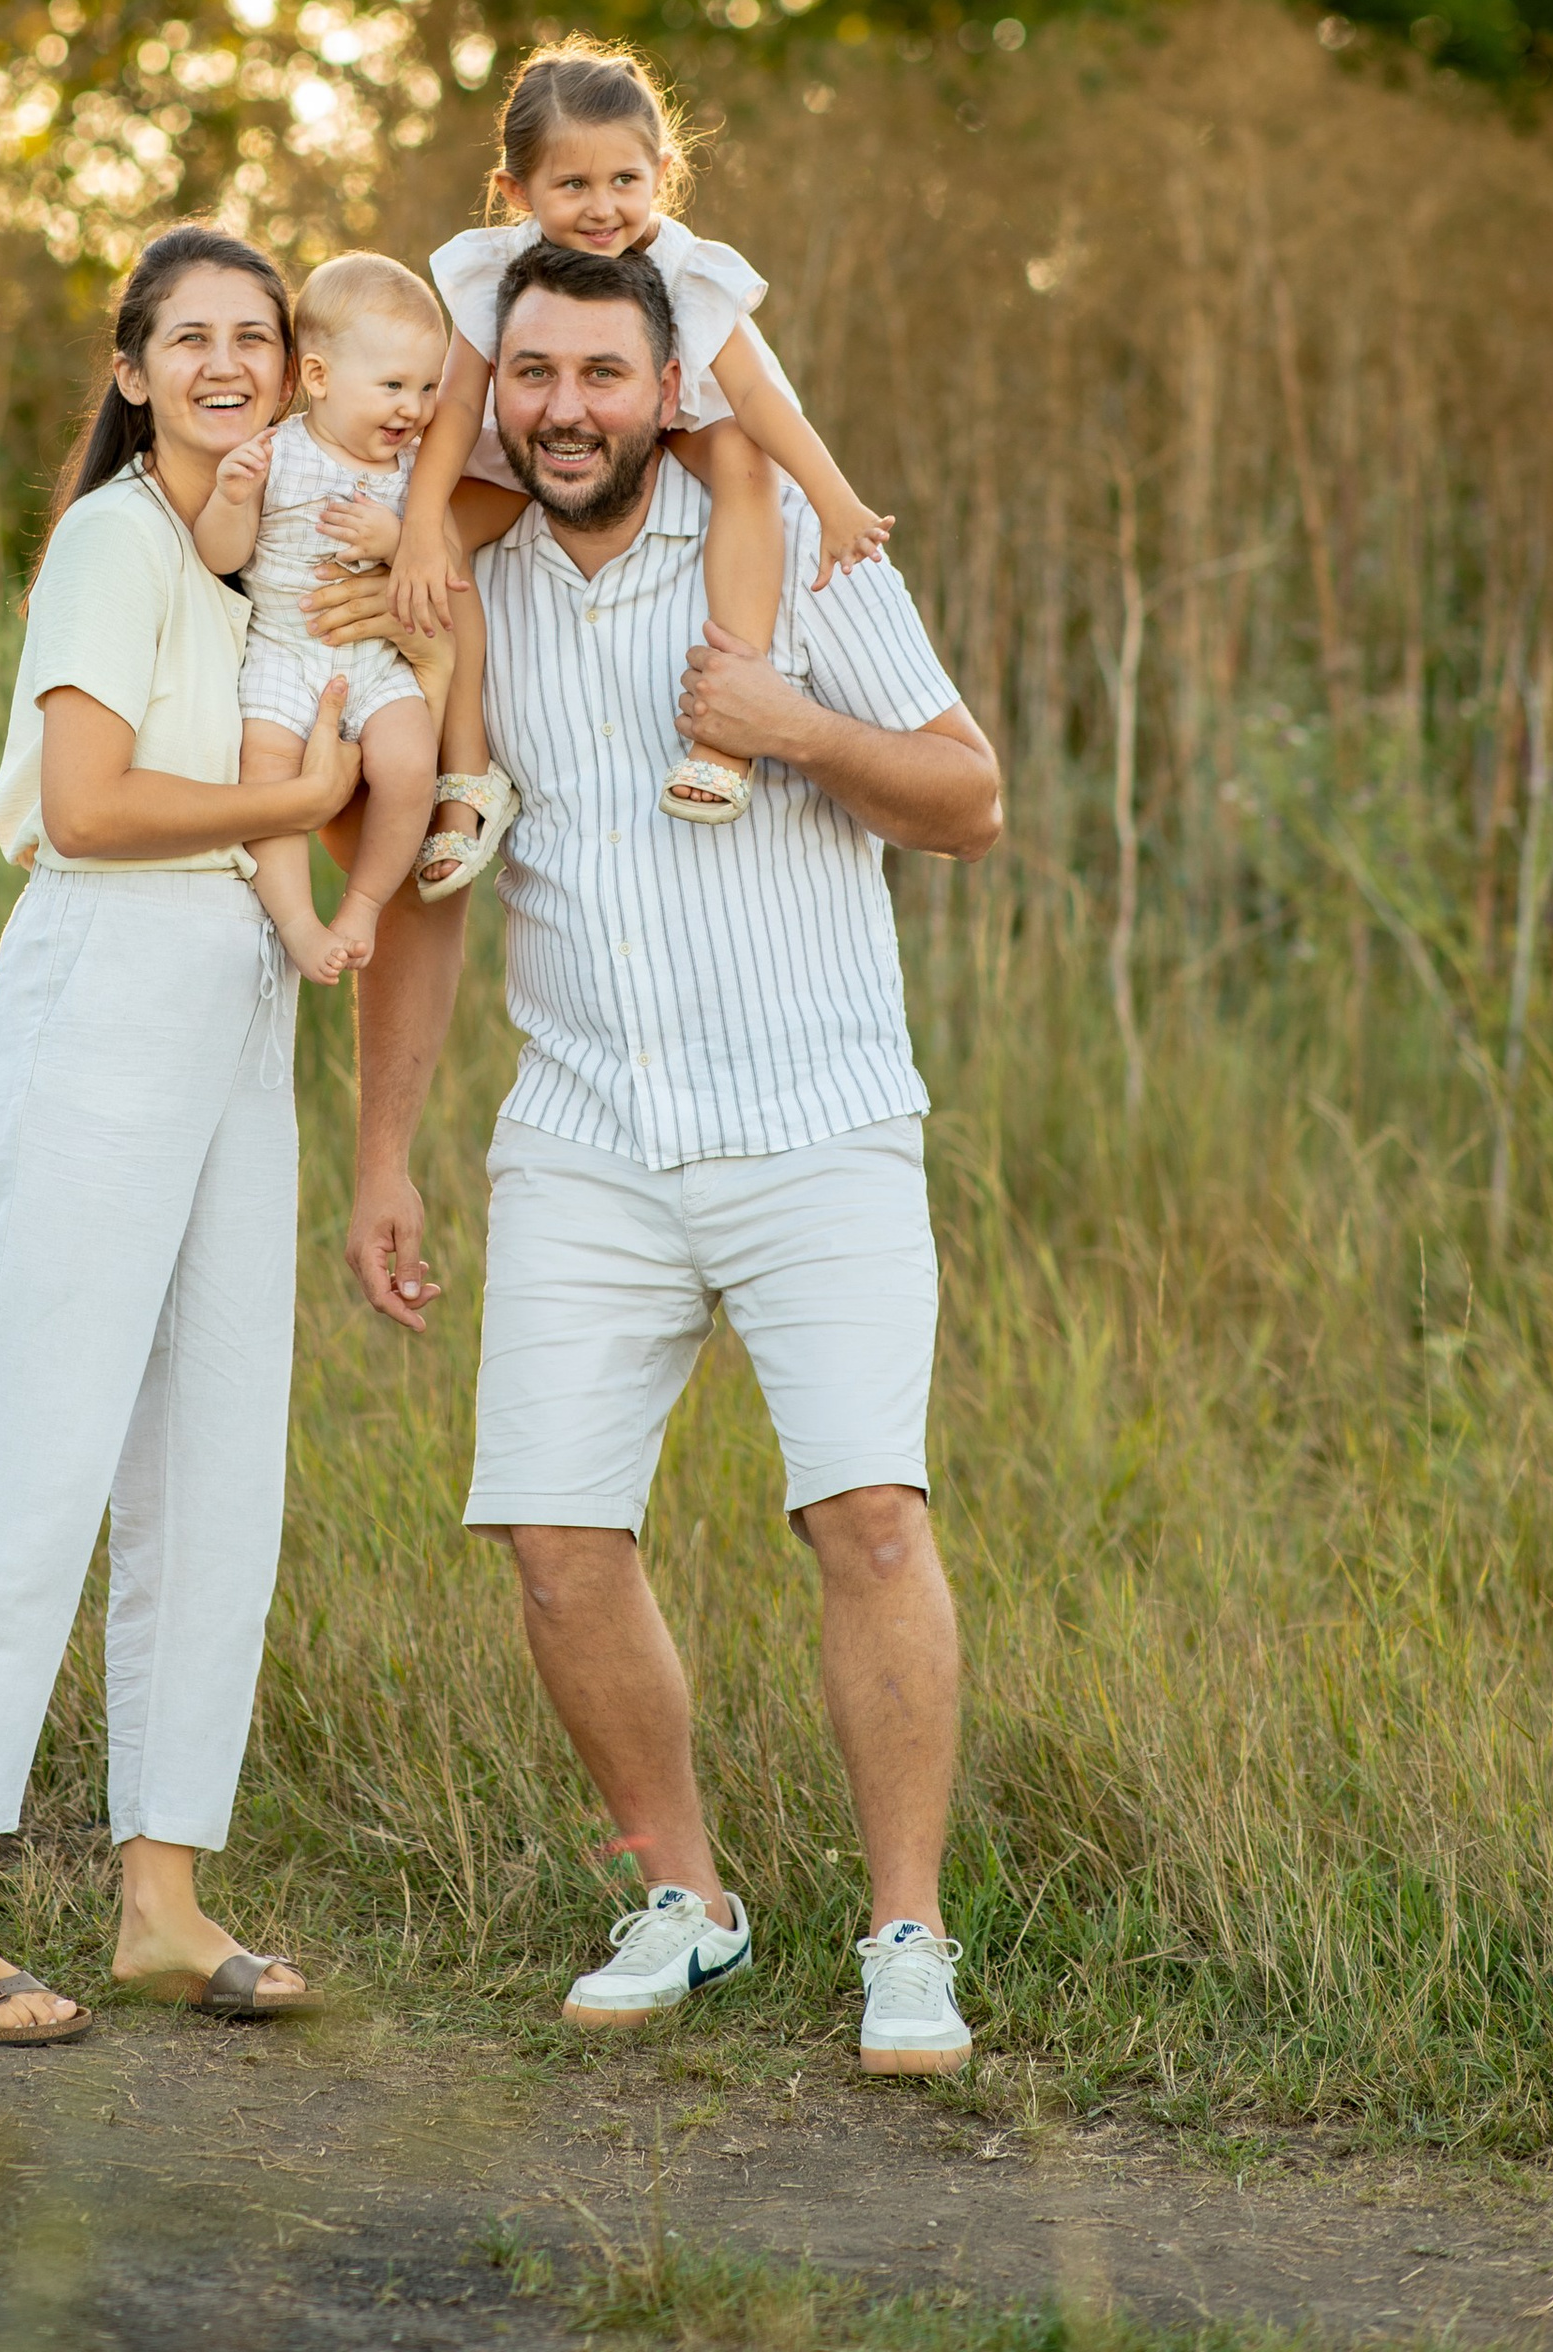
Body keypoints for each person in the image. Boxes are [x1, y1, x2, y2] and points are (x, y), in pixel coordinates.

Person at [318, 237, 1004, 2067]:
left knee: (867, 1515)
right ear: (498, 383)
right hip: (585, 1136)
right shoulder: (461, 585)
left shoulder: (783, 553)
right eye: (530, 374)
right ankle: (684, 1899)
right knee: (553, 1539)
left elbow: (972, 798)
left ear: (670, 380)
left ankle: (905, 1934)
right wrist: (383, 1158)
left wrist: (790, 726)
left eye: (602, 376)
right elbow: (441, 892)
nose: (563, 410)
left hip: (820, 1118)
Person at [0, 225, 361, 2047]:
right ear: (134, 371)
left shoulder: (273, 575)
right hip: (110, 978)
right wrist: (297, 794)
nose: (233, 361)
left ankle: (162, 1893)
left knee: (219, 1443)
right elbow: (81, 803)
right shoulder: (111, 540)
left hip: (235, 998)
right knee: (40, 1424)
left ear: (299, 377)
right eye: (193, 336)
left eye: (263, 336)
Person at [388, 41, 894, 838]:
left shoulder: (686, 270)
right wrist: (420, 530)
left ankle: (725, 736)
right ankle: (470, 769)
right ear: (515, 190)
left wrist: (835, 501)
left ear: (663, 170)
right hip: (538, 443)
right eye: (572, 185)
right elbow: (456, 406)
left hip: (676, 426)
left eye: (625, 180)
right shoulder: (496, 272)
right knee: (438, 534)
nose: (602, 208)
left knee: (740, 458)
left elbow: (754, 394)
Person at [194, 249, 507, 983]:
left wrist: (400, 540)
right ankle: (299, 922)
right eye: (394, 385)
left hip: (375, 660)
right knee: (265, 775)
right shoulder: (274, 453)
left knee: (407, 764)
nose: (414, 407)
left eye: (428, 387)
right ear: (320, 377)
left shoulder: (415, 471)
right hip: (283, 651)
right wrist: (230, 501)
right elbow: (222, 556)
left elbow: (439, 575)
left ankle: (363, 903)